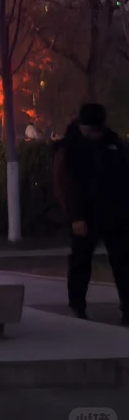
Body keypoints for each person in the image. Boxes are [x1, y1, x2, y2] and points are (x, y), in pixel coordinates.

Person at [52, 103, 129, 321]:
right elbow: (64, 186)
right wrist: (75, 216)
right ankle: (77, 306)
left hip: (116, 214)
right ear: (82, 126)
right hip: (84, 215)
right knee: (81, 261)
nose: (95, 135)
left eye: (98, 130)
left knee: (123, 262)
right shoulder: (69, 148)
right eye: (91, 130)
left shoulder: (113, 143)